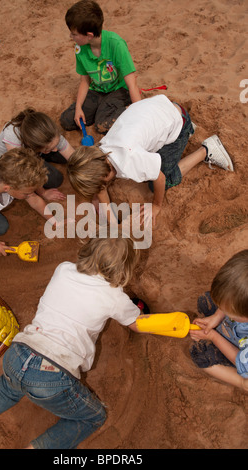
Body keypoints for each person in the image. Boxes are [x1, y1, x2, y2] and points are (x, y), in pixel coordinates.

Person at [0, 235, 150, 449]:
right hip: (52, 374)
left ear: (89, 249)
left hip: (19, 354)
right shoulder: (115, 297)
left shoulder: (64, 269)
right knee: (93, 416)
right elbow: (136, 324)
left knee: (6, 389)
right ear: (124, 270)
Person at [67, 95, 234, 226]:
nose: (100, 190)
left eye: (99, 187)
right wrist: (111, 220)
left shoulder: (130, 159)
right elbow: (101, 183)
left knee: (159, 182)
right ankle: (182, 128)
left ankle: (206, 149)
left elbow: (159, 177)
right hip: (161, 108)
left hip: (178, 123)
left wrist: (156, 206)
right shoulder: (101, 149)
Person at [60, 0, 141, 134]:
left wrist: (138, 109)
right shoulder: (80, 49)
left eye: (74, 34)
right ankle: (102, 108)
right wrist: (79, 107)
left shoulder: (116, 44)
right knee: (67, 120)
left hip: (119, 90)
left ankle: (125, 108)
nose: (71, 36)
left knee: (102, 125)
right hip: (97, 90)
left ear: (89, 35)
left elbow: (132, 83)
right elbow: (84, 80)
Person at [189, 250, 248, 392]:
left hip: (242, 357)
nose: (223, 309)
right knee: (206, 300)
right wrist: (217, 316)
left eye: (229, 312)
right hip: (237, 327)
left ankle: (241, 383)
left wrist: (213, 336)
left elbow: (239, 359)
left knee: (200, 355)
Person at [0, 108, 75, 202]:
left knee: (71, 158)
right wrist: (43, 193)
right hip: (17, 162)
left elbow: (73, 156)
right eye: (50, 148)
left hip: (36, 151)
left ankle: (46, 152)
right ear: (35, 146)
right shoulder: (14, 140)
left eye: (55, 145)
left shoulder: (45, 131)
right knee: (56, 179)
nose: (56, 149)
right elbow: (27, 174)